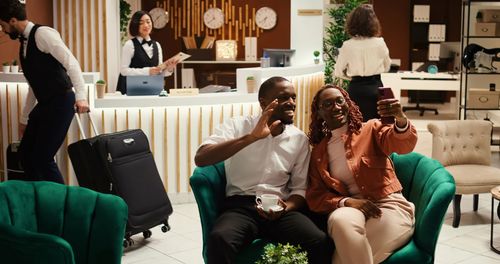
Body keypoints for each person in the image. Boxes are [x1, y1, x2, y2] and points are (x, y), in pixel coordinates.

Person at [194, 76, 331, 264]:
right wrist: (251, 138)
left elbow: (300, 190)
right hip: (241, 207)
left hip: (280, 208)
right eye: (284, 97)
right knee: (220, 239)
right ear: (263, 102)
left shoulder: (299, 139)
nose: (291, 103)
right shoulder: (237, 125)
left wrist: (285, 208)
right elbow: (201, 158)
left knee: (319, 241)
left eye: (293, 98)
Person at [306, 84, 417, 264]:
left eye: (339, 101)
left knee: (340, 261)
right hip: (352, 208)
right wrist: (347, 201)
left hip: (388, 205)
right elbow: (315, 196)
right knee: (339, 220)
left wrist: (400, 118)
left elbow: (403, 145)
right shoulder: (319, 153)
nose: (336, 107)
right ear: (319, 112)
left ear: (347, 104)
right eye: (327, 104)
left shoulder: (371, 129)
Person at [0, 0, 89, 184]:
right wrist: (25, 119)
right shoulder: (24, 43)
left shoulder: (43, 34)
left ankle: (62, 204)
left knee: (42, 158)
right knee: (25, 154)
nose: (4, 30)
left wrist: (81, 97)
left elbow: (71, 64)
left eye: (3, 25)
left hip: (62, 101)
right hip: (46, 103)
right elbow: (34, 85)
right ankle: (38, 199)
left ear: (13, 20)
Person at [334, 4, 391, 121]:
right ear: (373, 23)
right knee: (377, 124)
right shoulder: (380, 43)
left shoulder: (347, 45)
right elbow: (387, 66)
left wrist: (352, 76)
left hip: (356, 88)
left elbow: (338, 72)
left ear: (353, 22)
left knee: (356, 124)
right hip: (376, 87)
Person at [116, 10, 178, 94]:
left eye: (148, 22)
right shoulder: (129, 45)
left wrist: (169, 68)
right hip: (131, 91)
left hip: (151, 89)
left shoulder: (157, 45)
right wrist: (147, 71)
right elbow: (124, 71)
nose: (146, 25)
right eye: (141, 23)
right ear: (135, 25)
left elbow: (159, 72)